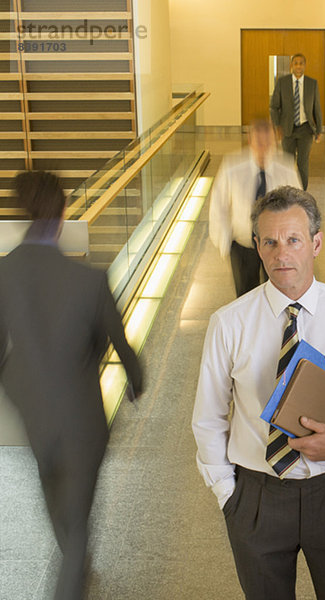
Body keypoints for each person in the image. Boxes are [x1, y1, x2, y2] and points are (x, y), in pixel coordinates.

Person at [192, 186, 325, 600]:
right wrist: (227, 494)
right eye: (269, 241)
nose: (281, 253)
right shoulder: (228, 322)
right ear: (257, 245)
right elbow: (209, 415)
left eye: (293, 240)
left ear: (316, 243)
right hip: (256, 495)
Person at [0, 171, 143, 600]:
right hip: (82, 417)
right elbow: (120, 345)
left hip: (33, 410)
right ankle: (71, 577)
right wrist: (136, 381)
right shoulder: (89, 281)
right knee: (79, 517)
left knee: (54, 488)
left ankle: (74, 564)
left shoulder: (3, 273)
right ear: (63, 216)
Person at [209, 119, 301, 297]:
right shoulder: (232, 166)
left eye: (268, 141)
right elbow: (218, 205)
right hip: (243, 244)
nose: (264, 147)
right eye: (259, 141)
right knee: (245, 296)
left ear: (275, 141)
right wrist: (225, 242)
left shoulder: (286, 167)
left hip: (278, 246)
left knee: (278, 294)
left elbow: (299, 206)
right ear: (250, 140)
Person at [269, 53, 322, 191]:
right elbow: (274, 106)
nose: (298, 66)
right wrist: (277, 126)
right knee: (287, 163)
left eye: (301, 63)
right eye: (296, 63)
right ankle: (287, 191)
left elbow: (317, 108)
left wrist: (319, 130)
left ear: (305, 66)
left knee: (303, 163)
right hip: (287, 129)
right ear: (291, 65)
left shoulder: (312, 83)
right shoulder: (282, 82)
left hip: (306, 129)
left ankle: (302, 192)